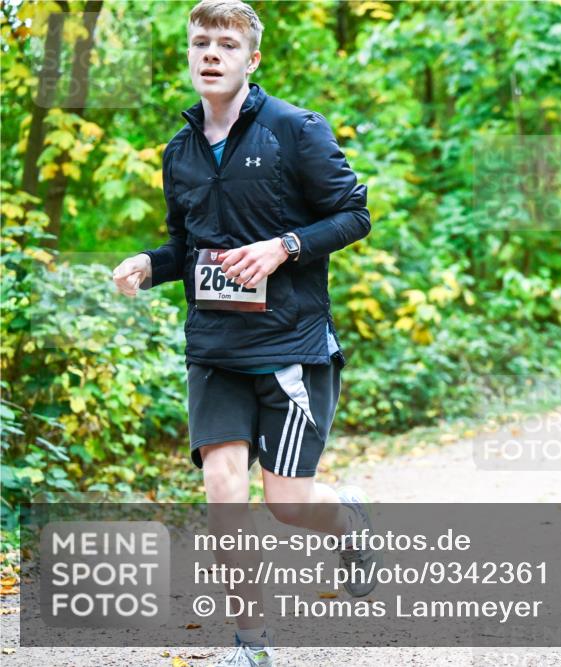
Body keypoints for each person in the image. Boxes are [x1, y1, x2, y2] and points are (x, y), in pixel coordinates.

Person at [111, 2, 377, 664]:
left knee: (288, 504)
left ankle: (346, 518)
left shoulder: (295, 130)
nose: (211, 53)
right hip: (215, 349)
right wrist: (149, 264)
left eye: (227, 44)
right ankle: (252, 643)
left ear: (251, 59)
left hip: (290, 346)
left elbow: (354, 214)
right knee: (223, 490)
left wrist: (284, 246)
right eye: (200, 42)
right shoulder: (179, 151)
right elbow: (187, 246)